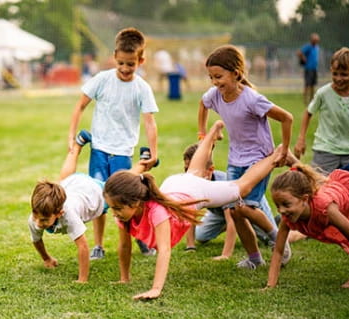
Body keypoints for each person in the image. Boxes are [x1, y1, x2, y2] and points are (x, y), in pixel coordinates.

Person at [104, 121, 285, 300]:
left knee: (242, 188)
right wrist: (124, 278)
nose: (114, 213)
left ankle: (276, 155)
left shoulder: (156, 212)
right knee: (194, 171)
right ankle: (214, 130)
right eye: (112, 208)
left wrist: (156, 289)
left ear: (136, 202)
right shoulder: (124, 215)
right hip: (174, 185)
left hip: (191, 191)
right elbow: (125, 246)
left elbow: (165, 250)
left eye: (117, 208)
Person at [197, 45, 293, 270]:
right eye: (211, 77)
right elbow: (202, 104)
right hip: (235, 160)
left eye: (219, 76)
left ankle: (277, 239)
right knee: (233, 210)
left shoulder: (252, 99)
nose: (214, 82)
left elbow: (287, 118)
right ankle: (254, 259)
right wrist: (202, 133)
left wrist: (285, 150)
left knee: (245, 207)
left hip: (259, 158)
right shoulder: (215, 95)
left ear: (236, 73)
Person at [68, 27, 159, 259]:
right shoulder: (102, 80)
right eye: (121, 63)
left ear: (141, 60)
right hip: (99, 150)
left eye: (131, 64)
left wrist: (154, 152)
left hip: (122, 153)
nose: (125, 69)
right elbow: (79, 106)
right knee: (98, 198)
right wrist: (71, 138)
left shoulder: (142, 88)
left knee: (128, 199)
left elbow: (149, 122)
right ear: (114, 57)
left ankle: (138, 238)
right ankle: (98, 245)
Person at [28, 131, 114, 283]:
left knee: (120, 187)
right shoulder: (37, 216)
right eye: (36, 217)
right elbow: (36, 240)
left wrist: (82, 279)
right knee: (64, 180)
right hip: (74, 185)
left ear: (59, 213)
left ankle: (141, 167)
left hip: (95, 193)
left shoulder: (69, 214)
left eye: (43, 220)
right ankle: (78, 144)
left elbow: (83, 246)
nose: (38, 223)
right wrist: (46, 259)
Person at [266, 156, 349, 289]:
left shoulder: (327, 210)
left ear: (304, 199)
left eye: (286, 204)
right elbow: (278, 251)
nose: (281, 211)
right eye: (277, 205)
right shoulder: (287, 217)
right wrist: (270, 285)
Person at [182, 143, 278, 260]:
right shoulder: (191, 184)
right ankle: (235, 226)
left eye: (194, 170)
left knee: (270, 239)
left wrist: (225, 255)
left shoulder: (222, 185)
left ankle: (299, 233)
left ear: (210, 170)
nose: (189, 173)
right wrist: (190, 246)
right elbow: (190, 214)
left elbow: (231, 220)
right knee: (201, 235)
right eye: (186, 169)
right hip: (220, 213)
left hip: (249, 207)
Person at [294, 47, 349, 174]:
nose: (338, 78)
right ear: (331, 70)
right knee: (319, 186)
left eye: (344, 74)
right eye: (335, 74)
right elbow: (308, 112)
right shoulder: (324, 93)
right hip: (325, 150)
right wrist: (301, 139)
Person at [297, 33, 321, 105]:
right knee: (307, 85)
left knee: (313, 85)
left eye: (317, 40)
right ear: (311, 40)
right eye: (314, 40)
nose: (316, 41)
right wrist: (303, 59)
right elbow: (299, 52)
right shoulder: (308, 47)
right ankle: (305, 101)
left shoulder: (317, 47)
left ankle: (311, 100)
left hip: (314, 68)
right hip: (308, 68)